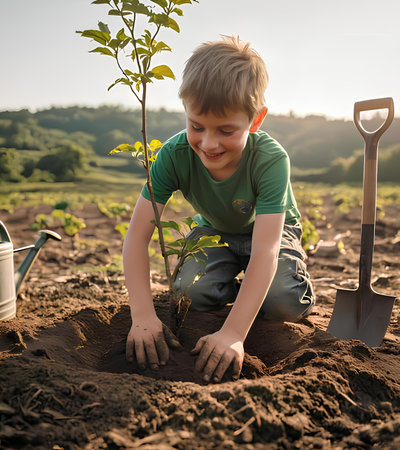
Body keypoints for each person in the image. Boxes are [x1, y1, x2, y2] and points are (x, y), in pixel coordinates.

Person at [123, 35, 314, 383]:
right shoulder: (173, 155)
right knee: (190, 294)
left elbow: (266, 249)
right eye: (196, 126)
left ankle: (261, 291)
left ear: (255, 121)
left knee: (284, 305)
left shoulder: (271, 160)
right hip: (214, 231)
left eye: (226, 130)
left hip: (270, 233)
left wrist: (234, 333)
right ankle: (242, 287)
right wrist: (143, 316)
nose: (208, 144)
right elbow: (137, 236)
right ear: (186, 112)